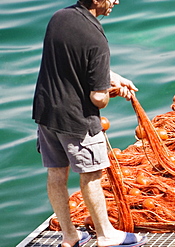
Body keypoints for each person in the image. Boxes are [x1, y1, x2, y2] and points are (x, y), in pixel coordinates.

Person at [32, 0, 148, 246]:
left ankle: (69, 236)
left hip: (46, 111)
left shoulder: (59, 18)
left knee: (55, 174)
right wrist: (110, 91)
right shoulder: (97, 39)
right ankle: (106, 235)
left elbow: (75, 63)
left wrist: (114, 78)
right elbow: (98, 98)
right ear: (96, 0)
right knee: (91, 175)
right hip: (76, 118)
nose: (116, 0)